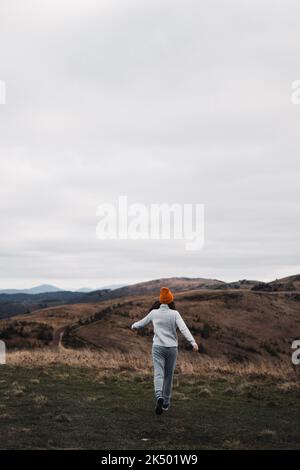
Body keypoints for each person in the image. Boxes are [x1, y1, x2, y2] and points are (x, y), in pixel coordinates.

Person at [131, 287, 199, 415]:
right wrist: (193, 342)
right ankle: (166, 403)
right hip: (172, 348)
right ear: (170, 300)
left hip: (157, 347)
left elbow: (141, 324)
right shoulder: (175, 314)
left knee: (158, 373)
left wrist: (133, 325)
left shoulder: (154, 313)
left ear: (160, 300)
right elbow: (184, 329)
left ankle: (159, 397)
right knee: (168, 376)